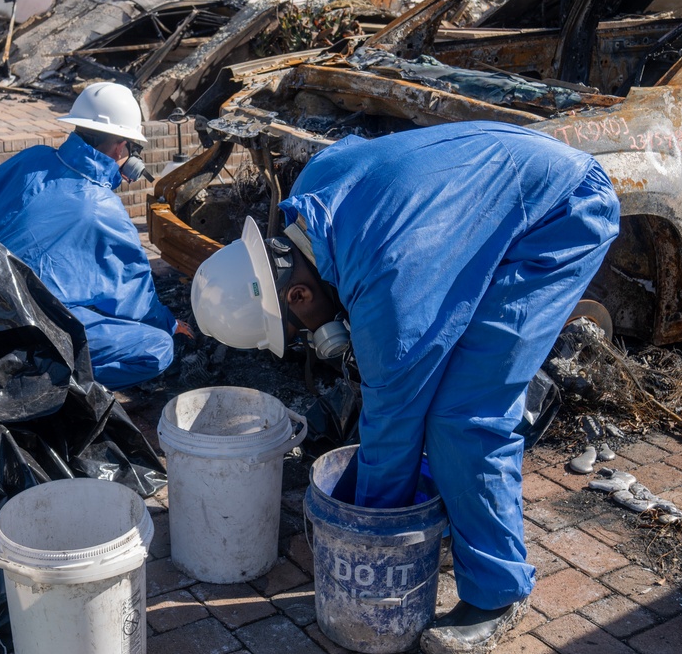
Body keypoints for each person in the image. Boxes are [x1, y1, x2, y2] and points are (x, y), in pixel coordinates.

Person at [189, 120, 620, 653]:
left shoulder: (388, 300)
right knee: (440, 393)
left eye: (299, 330)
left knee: (466, 416)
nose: (312, 337)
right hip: (508, 175)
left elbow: (390, 431)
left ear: (299, 294)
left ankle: (496, 593)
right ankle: (448, 514)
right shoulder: (315, 189)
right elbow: (362, 154)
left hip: (560, 212)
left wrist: (369, 539)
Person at [0, 82, 191, 390]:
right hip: (27, 331)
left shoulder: (31, 159)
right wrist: (170, 324)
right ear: (121, 146)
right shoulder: (103, 210)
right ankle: (46, 384)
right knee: (156, 349)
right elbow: (133, 295)